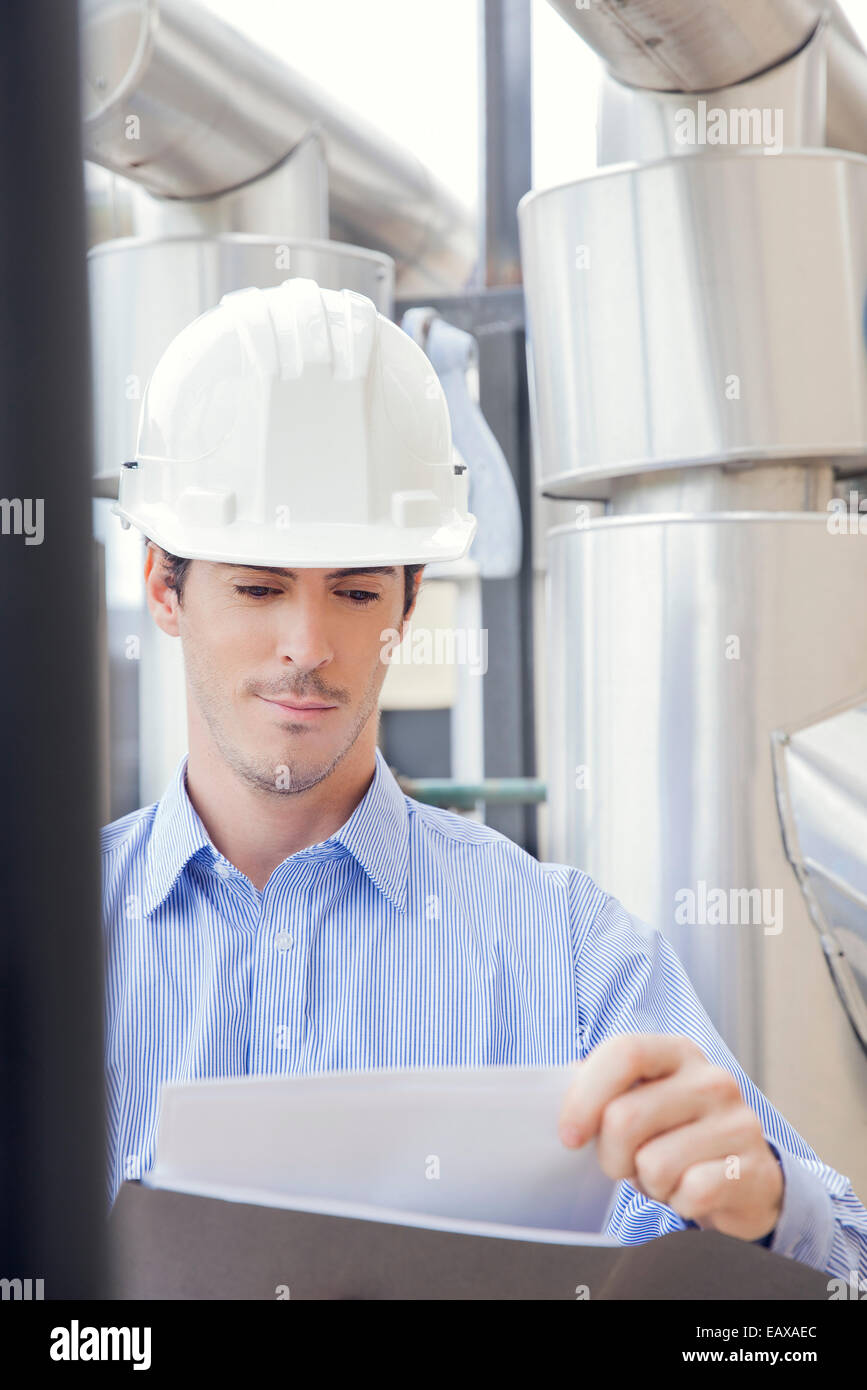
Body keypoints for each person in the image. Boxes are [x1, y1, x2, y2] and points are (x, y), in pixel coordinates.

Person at [102, 277, 867, 1282]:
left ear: (410, 599)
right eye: (257, 586)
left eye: (356, 590)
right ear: (165, 585)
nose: (307, 646)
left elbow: (840, 1272)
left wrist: (768, 1204)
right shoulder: (52, 941)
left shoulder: (569, 952)